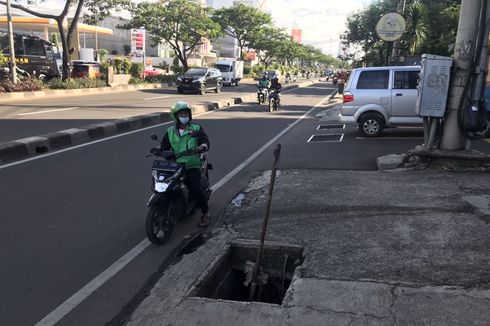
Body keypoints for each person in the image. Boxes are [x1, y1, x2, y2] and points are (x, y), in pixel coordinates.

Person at [161, 101, 211, 227]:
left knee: (196, 188)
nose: (184, 116)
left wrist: (203, 146)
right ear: (176, 116)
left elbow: (204, 140)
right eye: (181, 114)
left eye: (186, 114)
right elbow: (164, 146)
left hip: (192, 164)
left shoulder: (196, 129)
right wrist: (160, 151)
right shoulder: (170, 131)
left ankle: (205, 213)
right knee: (164, 185)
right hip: (175, 166)